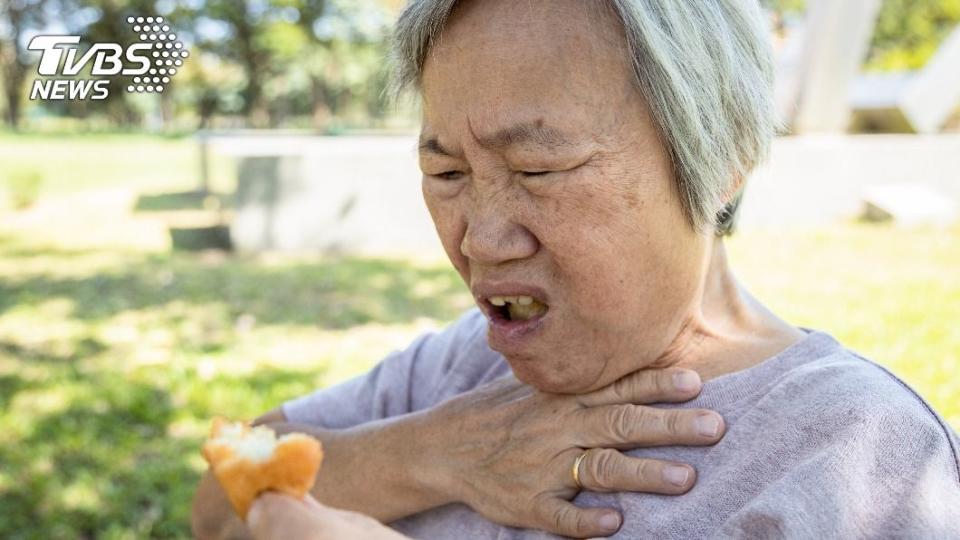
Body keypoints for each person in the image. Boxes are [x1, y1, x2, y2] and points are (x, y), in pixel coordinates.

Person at [192, 0, 960, 538]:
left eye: (538, 169)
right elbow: (217, 497)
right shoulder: (458, 367)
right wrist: (428, 452)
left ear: (723, 153)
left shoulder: (857, 452)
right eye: (447, 173)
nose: (481, 240)